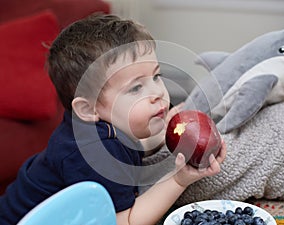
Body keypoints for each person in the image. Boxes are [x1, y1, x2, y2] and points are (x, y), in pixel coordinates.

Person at [0, 14, 226, 225]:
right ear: (88, 109)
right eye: (136, 88)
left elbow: (131, 147)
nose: (157, 93)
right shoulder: (94, 151)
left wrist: (164, 130)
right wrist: (179, 179)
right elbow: (125, 220)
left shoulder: (105, 127)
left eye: (156, 76)